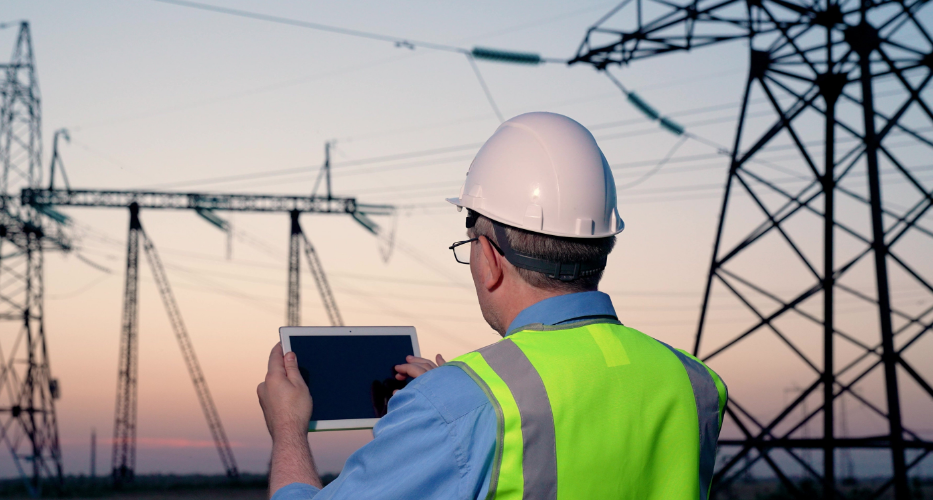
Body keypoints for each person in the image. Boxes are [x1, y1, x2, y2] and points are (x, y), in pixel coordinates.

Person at [257, 112, 727, 500]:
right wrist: (450, 407)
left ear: (489, 259)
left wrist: (288, 429)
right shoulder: (695, 384)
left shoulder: (462, 408)